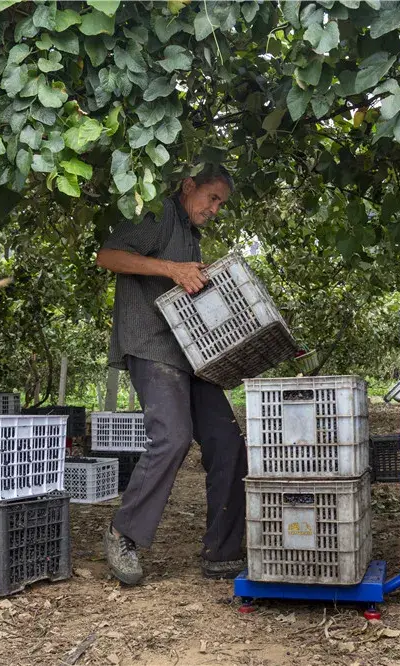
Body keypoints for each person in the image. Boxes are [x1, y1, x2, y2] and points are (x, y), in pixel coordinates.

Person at [95, 164, 247, 585]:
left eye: (221, 204)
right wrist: (172, 268)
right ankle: (123, 532)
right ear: (189, 186)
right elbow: (107, 255)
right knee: (173, 436)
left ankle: (223, 550)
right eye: (211, 198)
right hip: (151, 347)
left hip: (190, 354)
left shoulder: (193, 238)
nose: (215, 209)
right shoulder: (159, 213)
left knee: (228, 441)